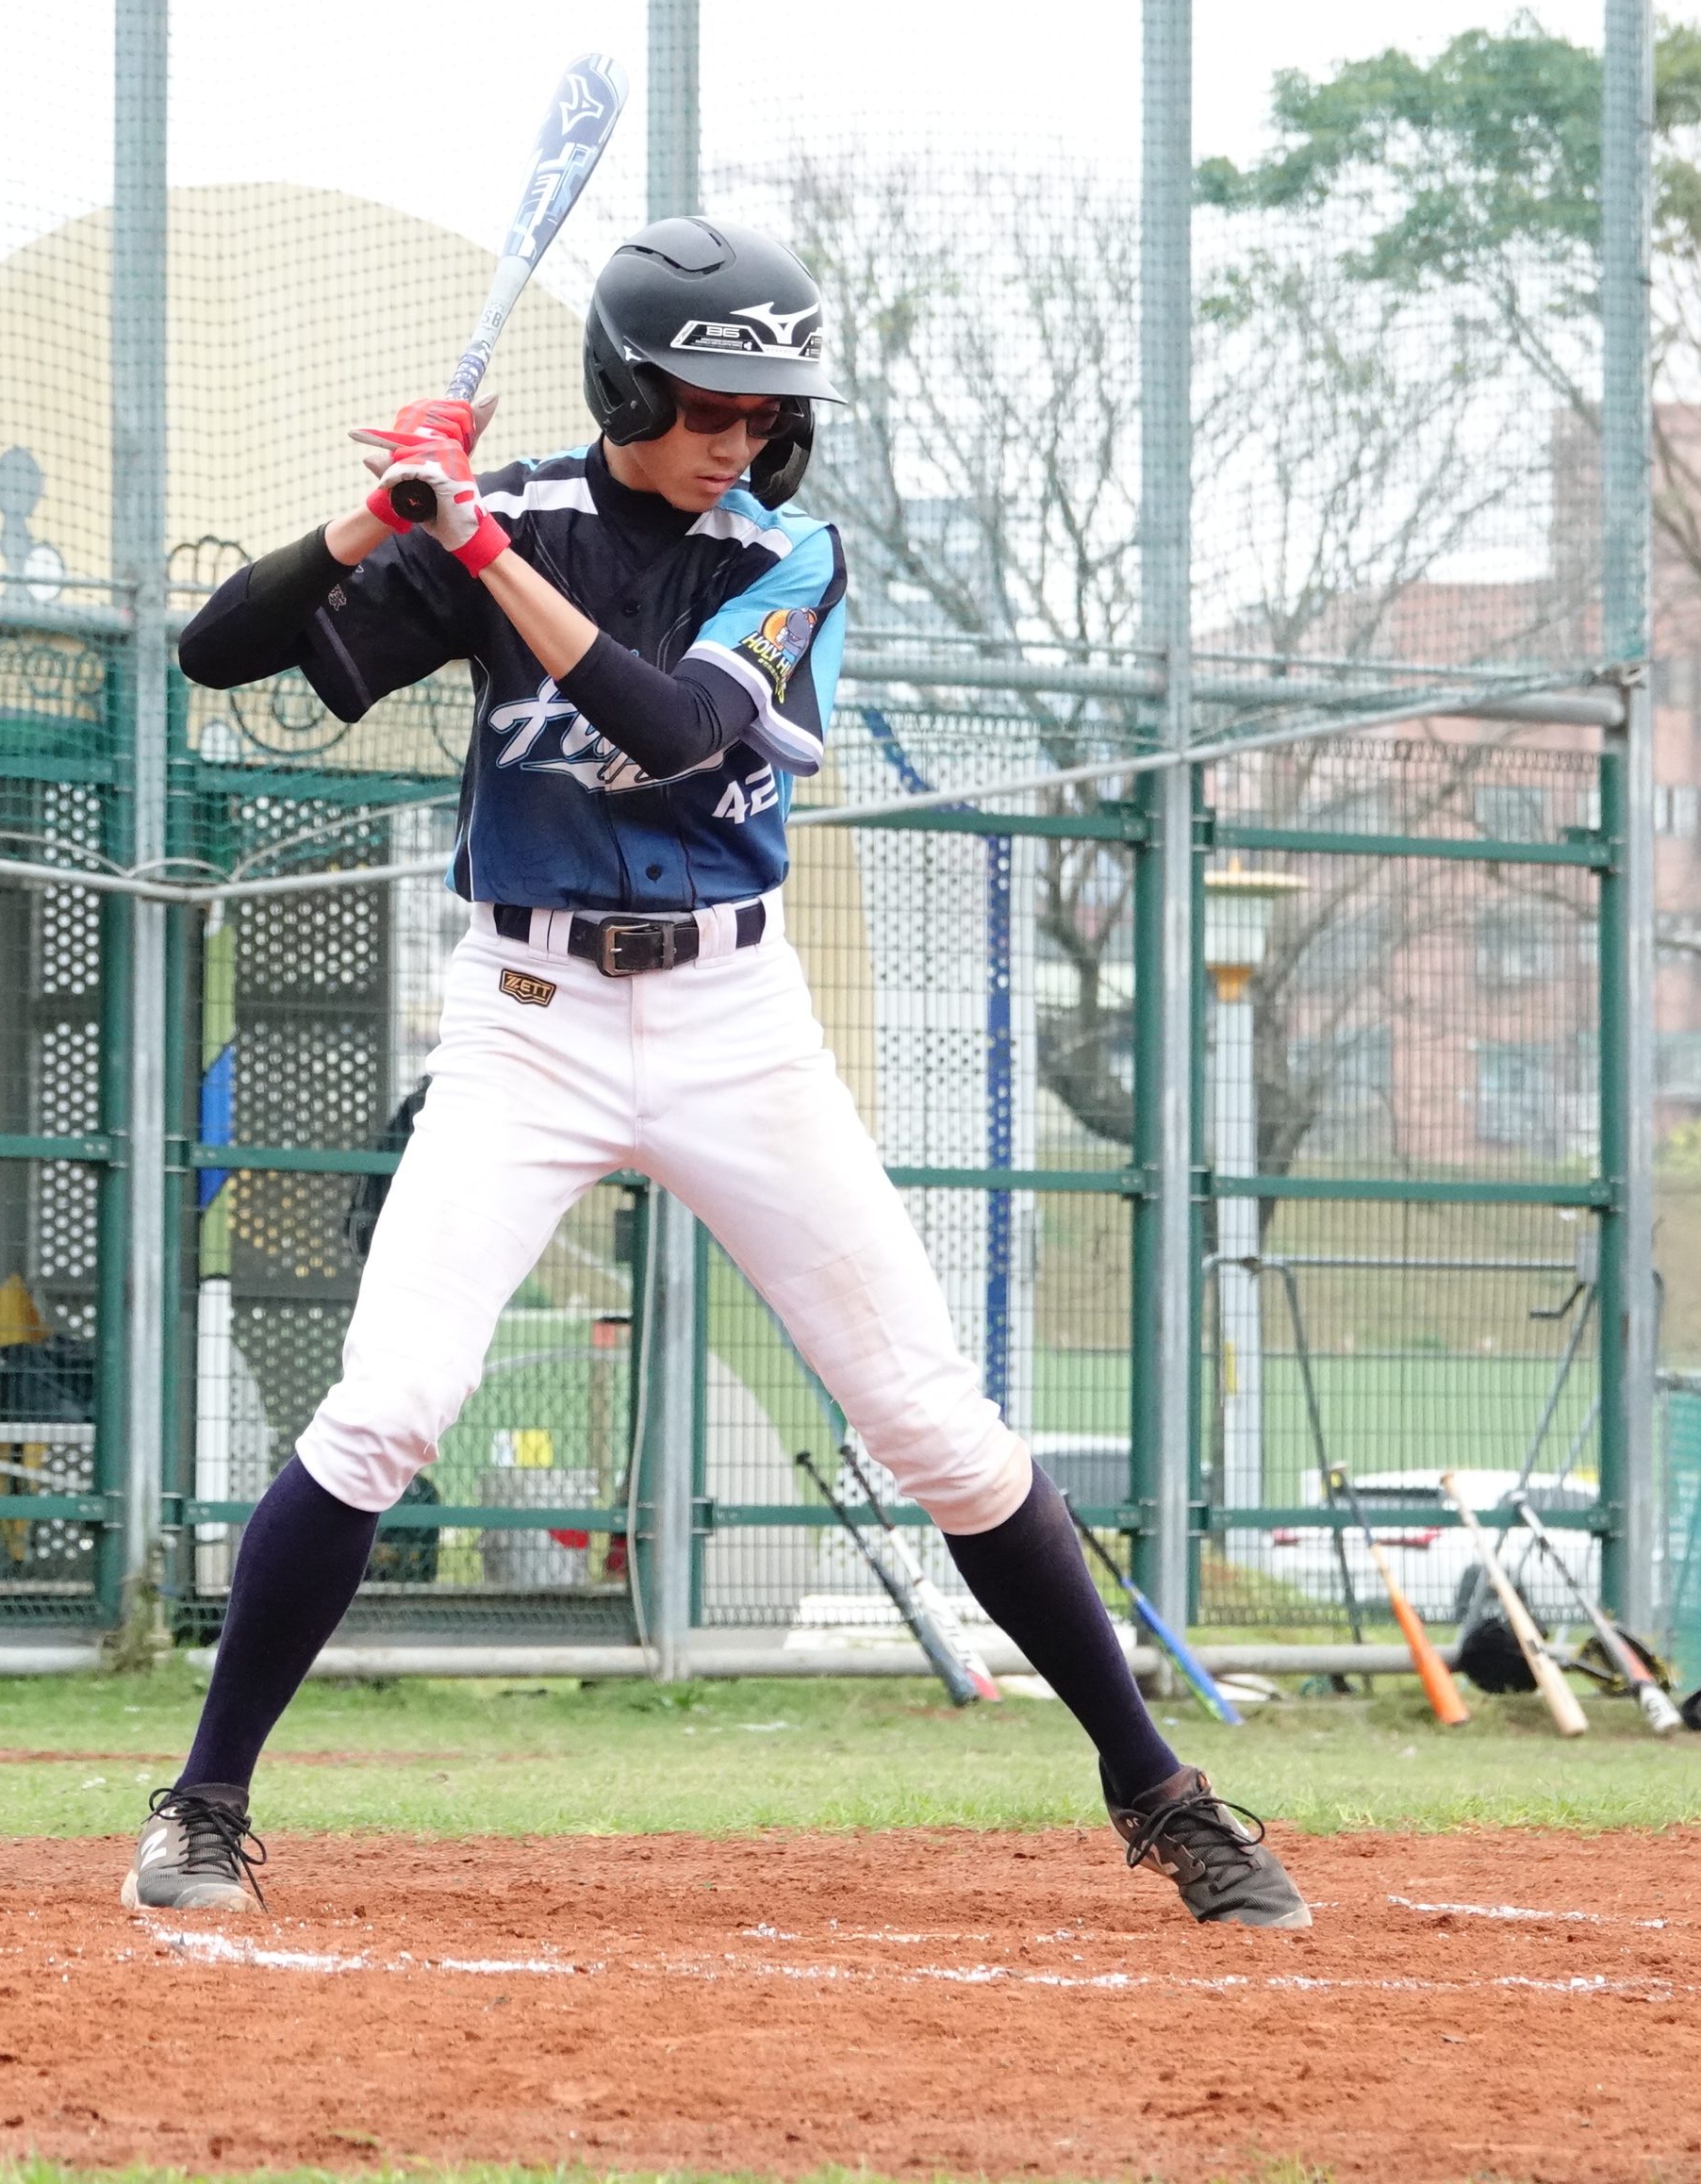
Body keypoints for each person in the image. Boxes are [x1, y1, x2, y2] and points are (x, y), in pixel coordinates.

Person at [137, 216, 1307, 1928]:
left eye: (764, 411)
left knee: (932, 1422)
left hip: (732, 1018)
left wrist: (481, 552)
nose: (737, 437)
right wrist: (378, 519)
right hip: (525, 1012)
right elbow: (216, 654)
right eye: (704, 404)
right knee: (384, 1408)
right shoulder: (508, 514)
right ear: (624, 390)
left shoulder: (786, 551)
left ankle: (1161, 1793)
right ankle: (202, 1805)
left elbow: (677, 732)